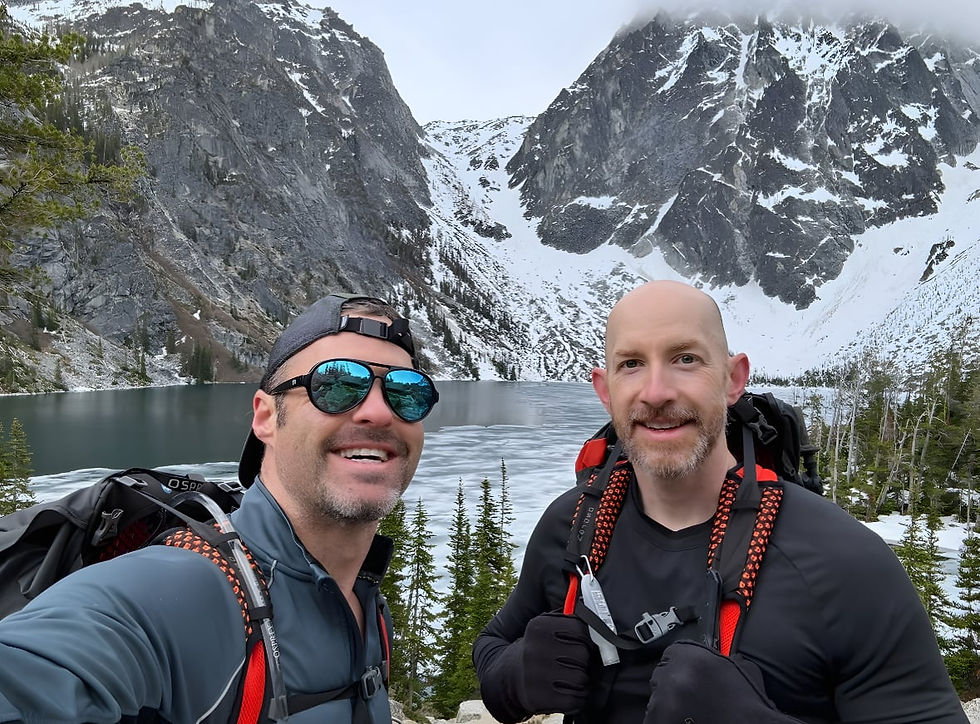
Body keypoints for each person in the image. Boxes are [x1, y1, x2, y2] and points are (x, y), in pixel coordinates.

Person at [474, 280, 966, 724]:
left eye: (685, 358)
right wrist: (514, 677)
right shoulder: (573, 525)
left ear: (733, 379)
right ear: (605, 390)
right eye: (631, 364)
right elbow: (493, 647)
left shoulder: (842, 562)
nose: (657, 392)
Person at [0, 292, 440, 723]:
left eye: (408, 393)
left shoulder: (367, 603)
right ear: (266, 417)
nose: (380, 413)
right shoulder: (176, 591)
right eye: (337, 385)